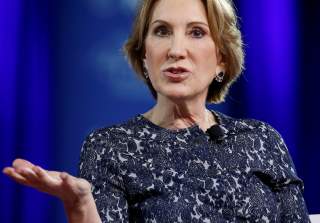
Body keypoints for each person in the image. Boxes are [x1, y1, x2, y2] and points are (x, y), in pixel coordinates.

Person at [3, 0, 311, 222]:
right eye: (162, 31)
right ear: (144, 55)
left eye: (197, 32)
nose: (176, 50)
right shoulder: (110, 147)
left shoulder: (261, 139)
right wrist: (81, 204)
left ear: (222, 58)